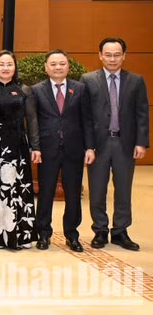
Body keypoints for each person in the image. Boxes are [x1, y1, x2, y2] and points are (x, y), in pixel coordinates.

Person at [81, 37, 148, 251]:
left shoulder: (136, 81)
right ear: (100, 55)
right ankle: (100, 230)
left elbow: (142, 114)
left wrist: (141, 142)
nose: (112, 59)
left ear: (124, 56)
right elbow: (85, 117)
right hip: (98, 145)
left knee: (123, 190)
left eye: (117, 54)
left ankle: (120, 231)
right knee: (97, 189)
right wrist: (88, 146)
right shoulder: (88, 80)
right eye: (108, 54)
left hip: (124, 143)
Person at [31, 49, 95, 252]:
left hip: (73, 150)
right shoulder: (36, 90)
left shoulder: (80, 89)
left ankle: (72, 234)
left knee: (73, 193)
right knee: (45, 193)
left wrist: (90, 147)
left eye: (62, 64)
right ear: (46, 67)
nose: (58, 67)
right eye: (53, 64)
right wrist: (35, 147)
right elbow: (33, 121)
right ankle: (43, 233)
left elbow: (87, 120)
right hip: (47, 150)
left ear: (68, 66)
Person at [0, 50, 40, 250]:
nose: (5, 68)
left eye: (9, 64)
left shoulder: (24, 90)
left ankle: (23, 236)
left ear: (14, 68)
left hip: (18, 146)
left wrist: (35, 146)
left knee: (20, 189)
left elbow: (31, 120)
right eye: (1, 64)